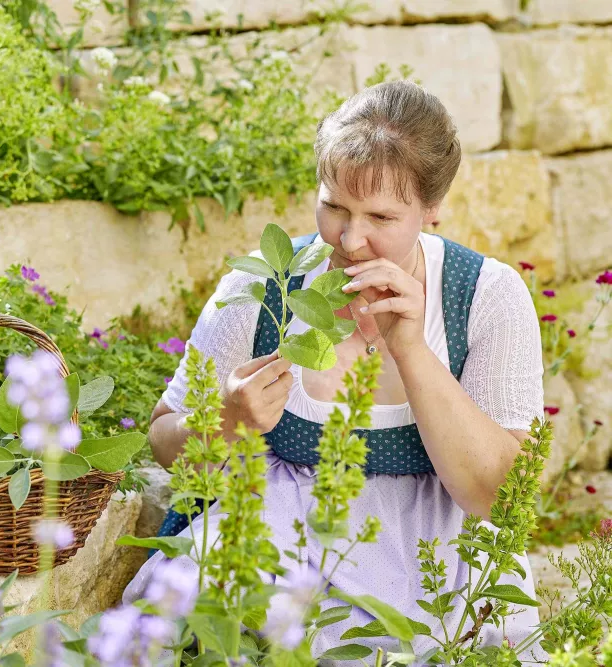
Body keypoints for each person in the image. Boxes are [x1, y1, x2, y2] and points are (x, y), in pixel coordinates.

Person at [122, 80, 545, 661]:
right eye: (334, 207)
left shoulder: (487, 297)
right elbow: (164, 440)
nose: (350, 239)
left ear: (432, 208)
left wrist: (412, 351)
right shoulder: (263, 287)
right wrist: (227, 421)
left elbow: (499, 497)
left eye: (382, 216)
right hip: (275, 546)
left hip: (434, 562)